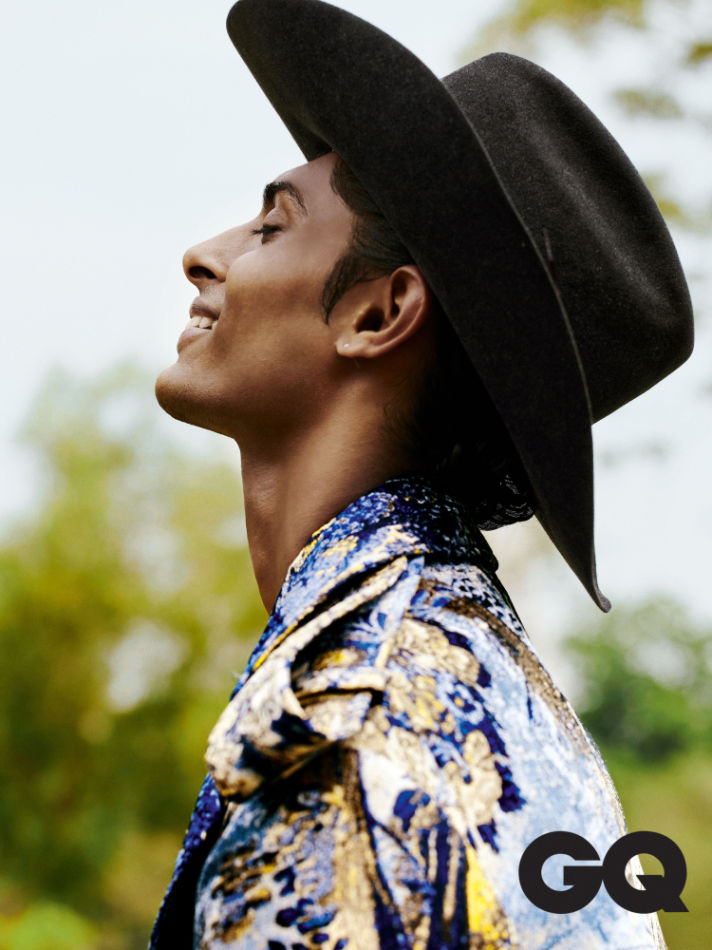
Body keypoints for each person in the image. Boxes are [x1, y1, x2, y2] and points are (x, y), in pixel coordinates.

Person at [149, 0, 693, 947]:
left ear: (378, 315)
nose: (204, 255)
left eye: (272, 226)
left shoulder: (340, 737)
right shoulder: (506, 696)